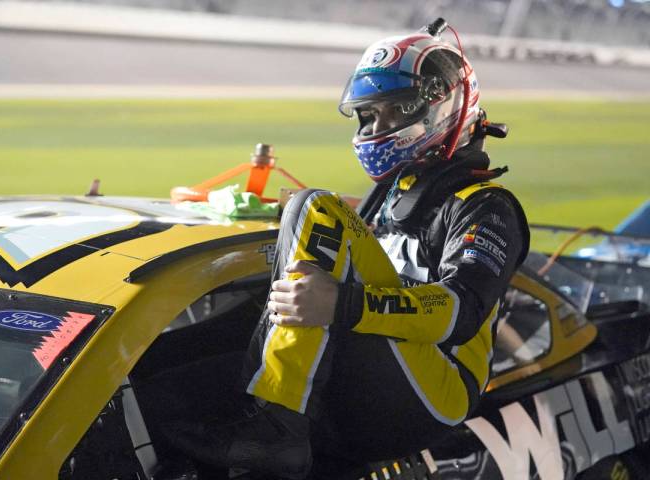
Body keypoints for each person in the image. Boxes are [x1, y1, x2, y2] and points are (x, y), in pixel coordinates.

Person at [168, 18, 530, 479]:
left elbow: (460, 314)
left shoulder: (487, 207)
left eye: (391, 112)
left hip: (437, 395)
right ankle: (262, 419)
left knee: (316, 207)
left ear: (442, 106)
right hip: (385, 380)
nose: (376, 127)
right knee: (307, 216)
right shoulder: (394, 189)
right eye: (369, 115)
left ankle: (278, 427)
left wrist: (342, 303)